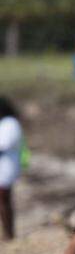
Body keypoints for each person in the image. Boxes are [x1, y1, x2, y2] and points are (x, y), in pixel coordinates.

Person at [0, 96, 23, 240]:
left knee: (4, 201)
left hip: (6, 167)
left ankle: (9, 233)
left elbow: (4, 143)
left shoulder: (11, 123)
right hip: (3, 165)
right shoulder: (4, 123)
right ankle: (7, 232)